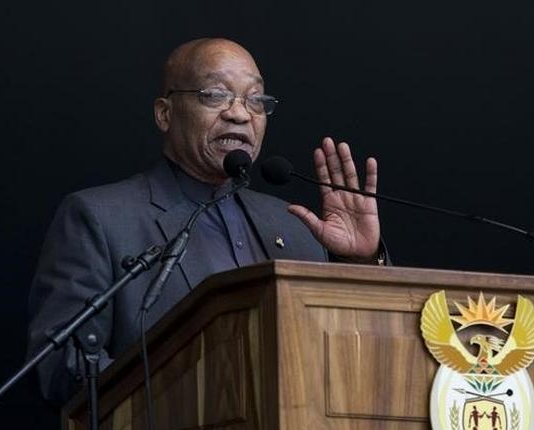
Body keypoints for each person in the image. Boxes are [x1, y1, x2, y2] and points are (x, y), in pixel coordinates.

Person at [26, 38, 385, 405]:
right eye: (216, 95)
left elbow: (356, 361)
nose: (240, 113)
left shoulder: (292, 225)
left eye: (256, 100)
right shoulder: (99, 218)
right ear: (165, 113)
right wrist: (195, 397)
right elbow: (60, 371)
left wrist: (359, 264)